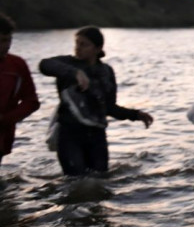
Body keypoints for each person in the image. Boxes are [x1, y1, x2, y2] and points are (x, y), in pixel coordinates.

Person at [39, 27, 153, 176]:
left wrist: (135, 114)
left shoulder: (106, 71)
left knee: (100, 180)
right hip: (69, 135)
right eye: (77, 43)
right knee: (77, 180)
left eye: (84, 44)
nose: (78, 48)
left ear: (98, 48)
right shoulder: (67, 64)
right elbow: (44, 65)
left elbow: (109, 108)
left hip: (97, 136)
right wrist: (75, 73)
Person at [0, 13, 40, 165]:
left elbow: (31, 101)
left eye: (8, 40)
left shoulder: (17, 65)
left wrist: (5, 119)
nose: (6, 45)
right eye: (2, 40)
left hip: (3, 134)